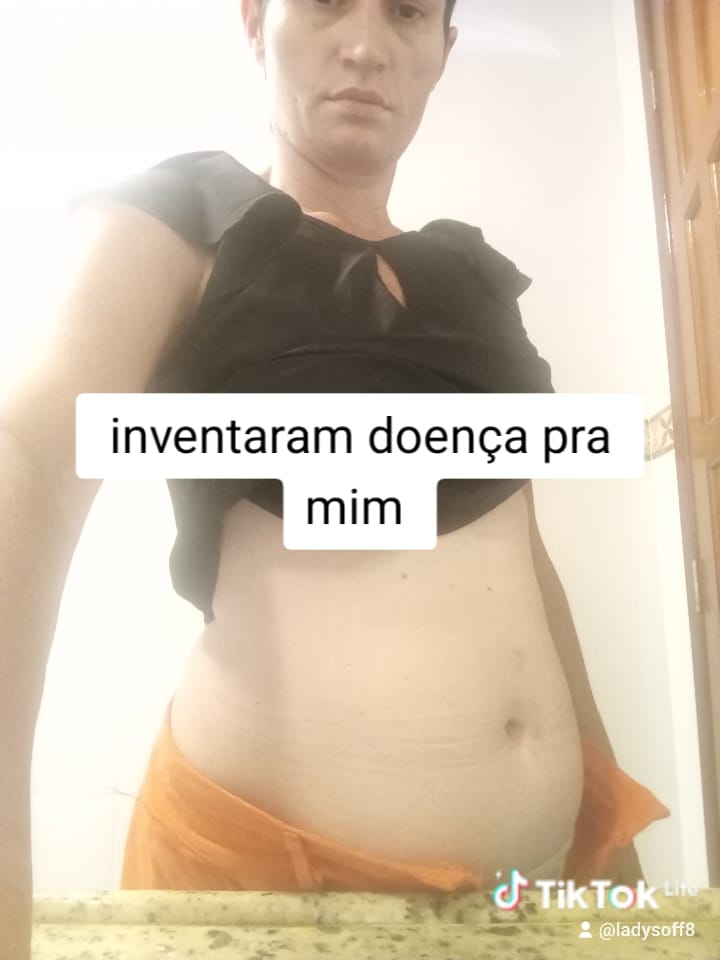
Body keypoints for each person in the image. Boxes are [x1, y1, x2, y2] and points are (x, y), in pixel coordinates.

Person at [0, 0, 669, 952]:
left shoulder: (475, 278)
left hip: (533, 893)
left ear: (443, 50)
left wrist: (608, 841)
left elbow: (524, 561)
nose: (365, 46)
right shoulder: (185, 219)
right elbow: (24, 457)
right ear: (254, 21)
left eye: (407, 14)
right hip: (272, 897)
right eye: (325, 3)